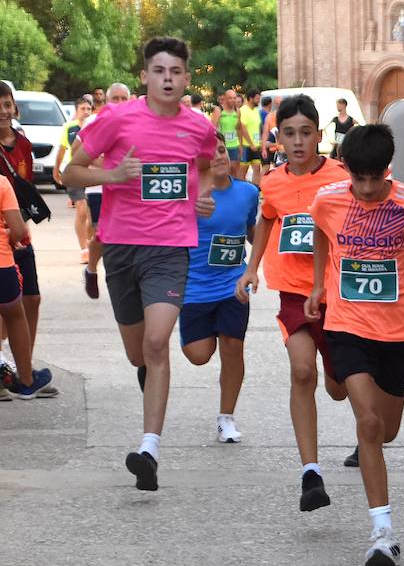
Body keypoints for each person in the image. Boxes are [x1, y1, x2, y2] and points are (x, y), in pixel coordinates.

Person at [62, 37, 219, 491]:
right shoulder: (116, 118)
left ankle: (149, 448)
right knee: (139, 353)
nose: (167, 79)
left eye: (175, 71)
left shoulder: (198, 127)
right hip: (121, 248)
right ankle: (149, 382)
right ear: (145, 76)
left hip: (169, 249)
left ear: (187, 77)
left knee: (156, 342)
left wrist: (200, 196)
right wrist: (110, 176)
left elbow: (206, 166)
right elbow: (70, 172)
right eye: (158, 71)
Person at [305, 124, 404, 566]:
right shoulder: (329, 199)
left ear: (387, 168)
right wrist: (316, 286)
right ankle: (382, 532)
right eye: (359, 177)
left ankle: (379, 512)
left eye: (375, 177)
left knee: (385, 430)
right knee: (367, 423)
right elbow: (320, 232)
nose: (367, 188)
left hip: (397, 332)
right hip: (346, 324)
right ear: (346, 168)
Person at [237, 94, 352, 506]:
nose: (299, 141)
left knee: (340, 389)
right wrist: (251, 268)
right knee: (302, 372)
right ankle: (311, 473)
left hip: (339, 295)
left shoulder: (342, 176)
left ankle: (366, 434)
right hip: (293, 292)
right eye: (290, 134)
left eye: (306, 132)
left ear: (319, 135)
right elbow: (267, 217)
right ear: (278, 138)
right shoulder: (273, 181)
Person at [180, 137, 258, 443]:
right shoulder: (190, 196)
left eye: (222, 151)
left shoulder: (248, 193)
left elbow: (252, 230)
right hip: (194, 287)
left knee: (232, 346)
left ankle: (226, 417)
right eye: (209, 155)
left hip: (233, 285)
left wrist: (255, 265)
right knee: (199, 355)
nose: (218, 158)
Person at [0, 167, 52, 399]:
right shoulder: (2, 184)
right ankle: (27, 381)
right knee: (14, 316)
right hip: (1, 263)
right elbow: (19, 229)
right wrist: (9, 240)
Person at [79, 83, 132, 300]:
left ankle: (124, 277)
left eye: (123, 99)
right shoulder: (95, 120)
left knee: (123, 234)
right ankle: (92, 269)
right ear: (107, 102)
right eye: (115, 99)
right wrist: (109, 168)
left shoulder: (136, 122)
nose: (119, 103)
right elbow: (77, 152)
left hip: (127, 189)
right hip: (99, 186)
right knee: (102, 232)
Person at [56, 95, 95, 262]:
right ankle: (84, 248)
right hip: (72, 173)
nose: (85, 112)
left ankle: (88, 241)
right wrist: (56, 169)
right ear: (76, 111)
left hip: (91, 174)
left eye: (88, 109)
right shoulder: (69, 128)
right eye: (82, 109)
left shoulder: (95, 126)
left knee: (91, 213)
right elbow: (62, 149)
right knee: (81, 210)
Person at [239, 89, 263, 184]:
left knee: (257, 168)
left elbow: (257, 127)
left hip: (256, 144)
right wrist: (250, 143)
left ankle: (256, 189)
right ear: (250, 98)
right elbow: (242, 128)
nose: (258, 101)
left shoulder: (256, 111)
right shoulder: (243, 110)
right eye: (257, 99)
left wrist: (259, 141)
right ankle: (241, 190)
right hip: (246, 145)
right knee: (243, 170)